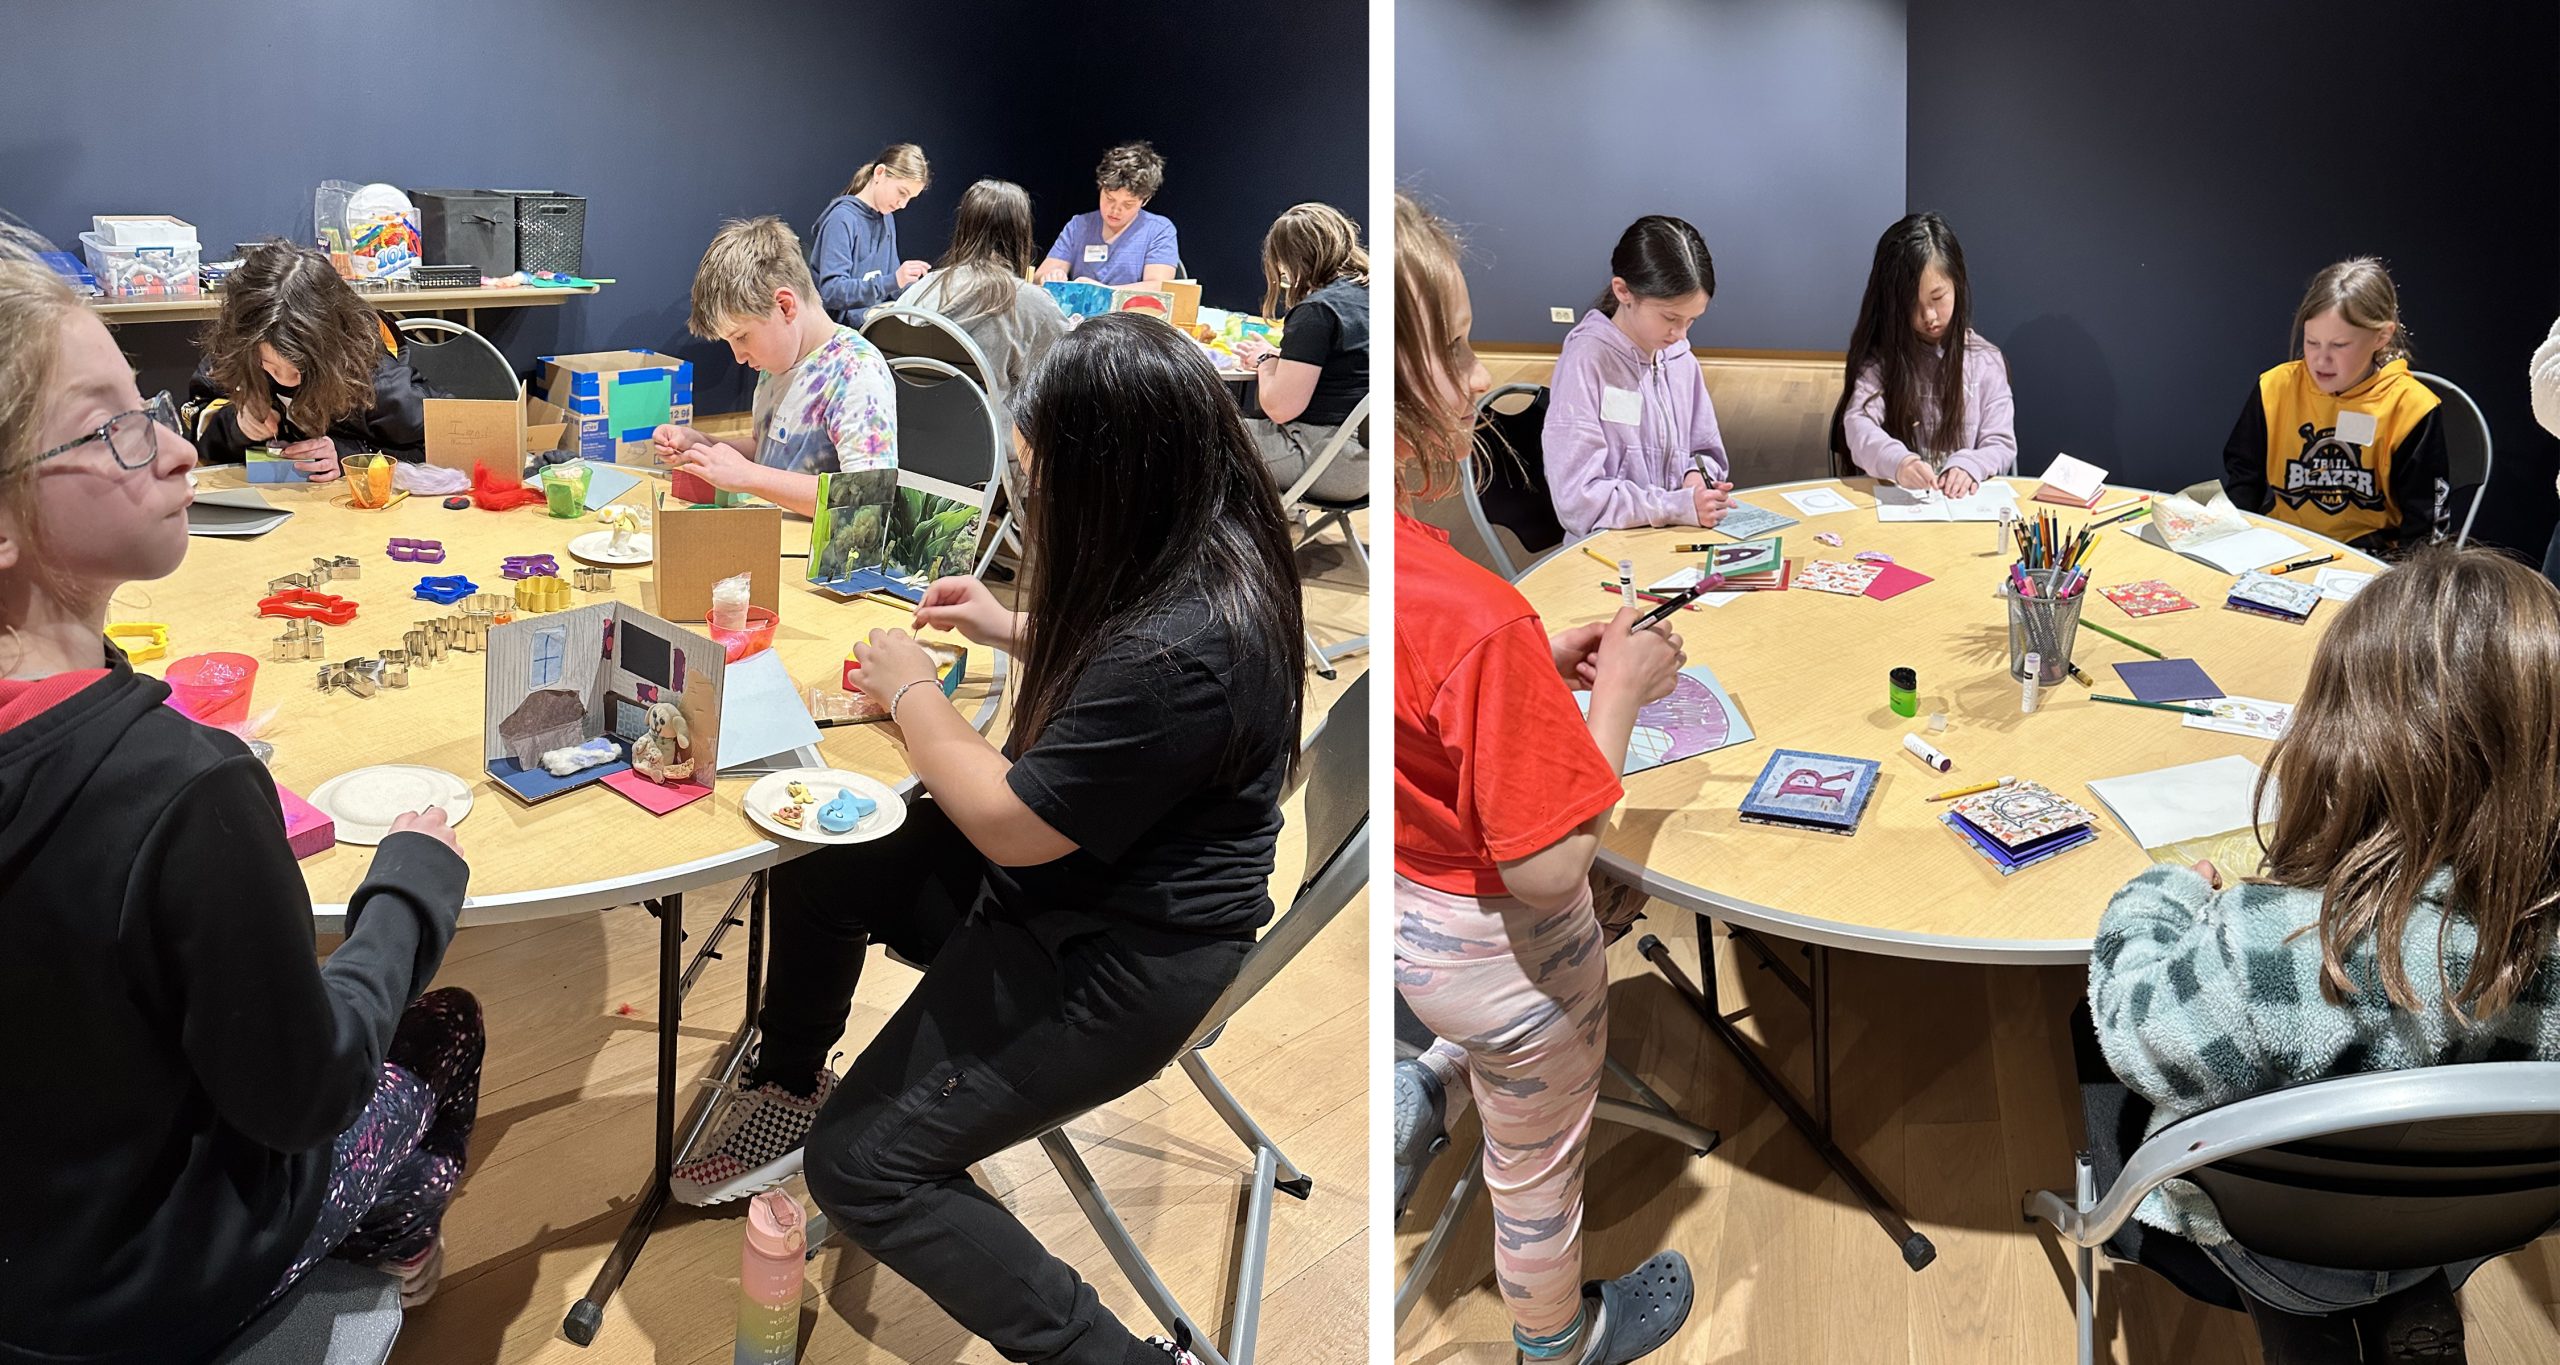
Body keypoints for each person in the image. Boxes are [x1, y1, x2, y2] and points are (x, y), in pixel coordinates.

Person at [666, 314, 1303, 1365]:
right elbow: (1115, 698)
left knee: (862, 1168)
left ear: (1112, 479)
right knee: (828, 855)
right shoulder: (1204, 557)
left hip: (1120, 956)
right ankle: (788, 1081)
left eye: (1036, 473)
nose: (1030, 496)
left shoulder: (1187, 647)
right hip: (1081, 888)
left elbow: (1012, 824)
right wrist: (1016, 625)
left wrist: (915, 693)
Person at [0, 226, 480, 1365]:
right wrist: (407, 892)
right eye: (114, 428)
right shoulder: (184, 792)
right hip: (134, 1295)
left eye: (153, 408)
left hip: (31, 1244)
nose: (171, 452)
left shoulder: (156, 776)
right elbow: (306, 1094)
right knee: (441, 1033)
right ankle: (396, 1250)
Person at [2085, 546, 2560, 1364]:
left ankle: (2301, 1329)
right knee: (2409, 1164)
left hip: (2268, 1240)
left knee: (2084, 1047)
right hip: (2462, 1223)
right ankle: (2407, 1296)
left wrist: (2156, 897)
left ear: (2351, 741)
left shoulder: (2271, 942)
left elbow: (2134, 1028)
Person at [1391, 191, 1698, 1365]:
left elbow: (1444, 709)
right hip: (1507, 965)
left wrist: (1534, 652)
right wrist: (1611, 697)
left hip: (1426, 939)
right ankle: (1558, 1339)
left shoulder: (1407, 567)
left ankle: (1431, 1076)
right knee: (1537, 1165)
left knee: (1500, 1075)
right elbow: (1547, 864)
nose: (1479, 378)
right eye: (1458, 347)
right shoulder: (1475, 616)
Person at [651, 216, 897, 518]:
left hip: (812, 558)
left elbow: (870, 499)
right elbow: (769, 449)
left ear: (784, 306)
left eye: (742, 336)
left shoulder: (856, 372)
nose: (738, 356)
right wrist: (705, 444)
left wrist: (749, 477)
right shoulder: (776, 362)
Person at [2220, 257, 2447, 556]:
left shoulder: (2411, 408)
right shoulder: (2274, 388)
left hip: (2371, 559)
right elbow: (2243, 483)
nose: (2321, 360)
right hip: (2283, 546)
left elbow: (2424, 528)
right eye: (2312, 342)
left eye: (2339, 346)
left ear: (2382, 336)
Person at [1542, 215, 1734, 536]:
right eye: (1670, 317)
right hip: (1611, 546)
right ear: (1623, 291)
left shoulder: (1679, 357)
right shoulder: (1587, 360)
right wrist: (1674, 506)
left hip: (1672, 534)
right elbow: (1577, 500)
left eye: (1691, 320)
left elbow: (1705, 451)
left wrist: (1697, 477)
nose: (1680, 334)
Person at [186, 240, 439, 479]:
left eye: (300, 369)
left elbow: (448, 448)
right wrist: (236, 426)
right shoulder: (238, 355)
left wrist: (351, 457)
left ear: (330, 352)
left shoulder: (377, 383)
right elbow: (197, 437)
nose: (284, 379)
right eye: (269, 366)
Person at [1831, 213, 2015, 494]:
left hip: (1966, 514)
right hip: (1897, 510)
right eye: (1911, 304)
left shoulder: (1985, 361)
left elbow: (2001, 443)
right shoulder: (1882, 361)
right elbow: (1858, 425)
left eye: (1938, 298)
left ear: (1957, 283)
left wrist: (1970, 465)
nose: (1929, 316)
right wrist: (1899, 462)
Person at [897, 178, 1069, 418]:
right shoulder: (1033, 303)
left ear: (964, 226)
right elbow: (1064, 373)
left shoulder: (920, 290)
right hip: (994, 446)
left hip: (909, 436)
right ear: (1021, 233)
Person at [1234, 202, 1370, 502]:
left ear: (1290, 261)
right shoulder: (1369, 295)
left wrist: (1265, 361)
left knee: (1194, 434)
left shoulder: (1318, 310)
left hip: (1326, 459)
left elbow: (1281, 408)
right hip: (1368, 462)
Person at [808, 143, 932, 328]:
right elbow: (832, 292)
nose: (903, 204)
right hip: (839, 334)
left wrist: (922, 294)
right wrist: (894, 280)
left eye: (909, 199)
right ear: (880, 173)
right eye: (901, 193)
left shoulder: (886, 219)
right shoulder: (841, 220)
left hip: (870, 327)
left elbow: (891, 282)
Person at [1036, 141, 1181, 287]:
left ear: (1145, 200)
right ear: (1100, 188)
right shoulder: (1079, 226)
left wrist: (1103, 293)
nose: (1115, 210)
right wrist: (1052, 275)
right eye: (1109, 198)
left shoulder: (1159, 230)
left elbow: (1158, 286)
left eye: (1127, 204)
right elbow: (1039, 276)